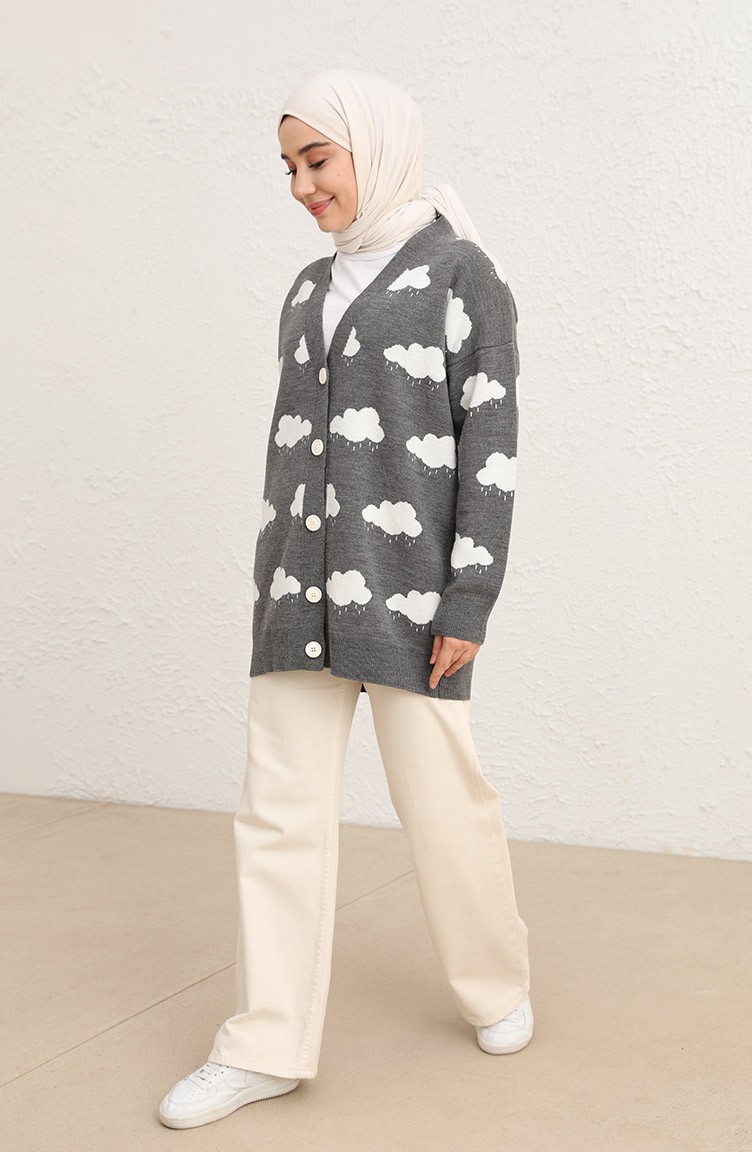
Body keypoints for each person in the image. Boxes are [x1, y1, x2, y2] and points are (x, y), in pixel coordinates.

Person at [158, 67, 532, 1132]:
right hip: (296, 591)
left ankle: (495, 986)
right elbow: (292, 448)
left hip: (413, 604)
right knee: (275, 819)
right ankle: (264, 1045)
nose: (300, 186)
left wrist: (468, 599)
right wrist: (274, 573)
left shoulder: (462, 275)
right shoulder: (305, 290)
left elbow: (489, 447)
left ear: (375, 147)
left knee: (445, 807)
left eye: (316, 160)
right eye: (287, 167)